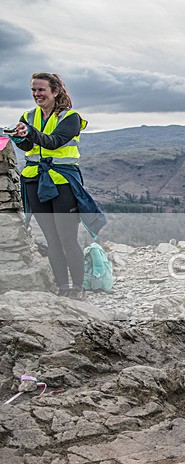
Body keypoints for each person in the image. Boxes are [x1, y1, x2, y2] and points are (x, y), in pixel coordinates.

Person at [7, 72, 105, 299]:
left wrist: (30, 132)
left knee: (67, 238)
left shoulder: (70, 118)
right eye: (33, 89)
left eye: (41, 89)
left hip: (61, 183)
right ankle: (62, 287)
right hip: (34, 181)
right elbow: (28, 146)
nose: (36, 94)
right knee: (51, 240)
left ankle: (78, 288)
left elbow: (53, 143)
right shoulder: (28, 116)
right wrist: (20, 137)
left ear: (55, 91)